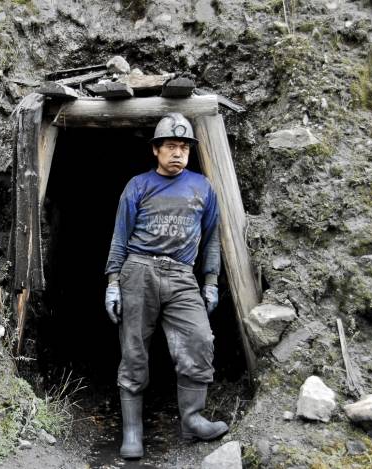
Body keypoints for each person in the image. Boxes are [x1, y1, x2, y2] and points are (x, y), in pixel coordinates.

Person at [104, 112, 228, 459]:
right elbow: (119, 237)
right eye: (171, 146)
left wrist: (211, 280)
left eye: (184, 147)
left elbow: (212, 239)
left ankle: (193, 419)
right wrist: (113, 281)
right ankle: (132, 432)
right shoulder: (138, 185)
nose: (178, 153)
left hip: (182, 274)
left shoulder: (203, 187)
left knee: (200, 339)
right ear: (156, 150)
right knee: (133, 349)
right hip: (138, 270)